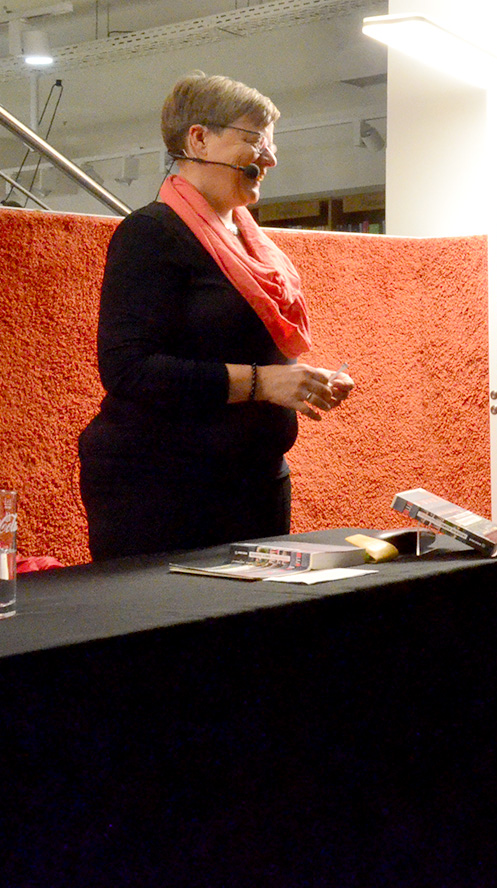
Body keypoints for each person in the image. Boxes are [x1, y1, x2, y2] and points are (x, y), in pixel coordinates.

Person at [79, 72, 354, 561]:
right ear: (199, 139)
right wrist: (264, 383)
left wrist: (302, 382)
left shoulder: (252, 244)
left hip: (255, 481)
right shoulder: (150, 232)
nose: (270, 159)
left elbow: (247, 353)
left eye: (271, 144)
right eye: (254, 140)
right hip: (162, 489)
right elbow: (129, 370)